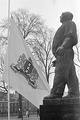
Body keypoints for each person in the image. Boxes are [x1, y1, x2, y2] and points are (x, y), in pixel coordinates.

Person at [44, 12, 79, 99]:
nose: (60, 16)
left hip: (65, 52)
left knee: (60, 72)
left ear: (66, 16)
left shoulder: (70, 23)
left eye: (62, 15)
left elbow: (70, 37)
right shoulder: (65, 25)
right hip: (63, 54)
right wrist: (58, 58)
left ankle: (56, 93)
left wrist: (63, 46)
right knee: (70, 73)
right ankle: (74, 93)